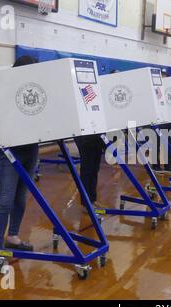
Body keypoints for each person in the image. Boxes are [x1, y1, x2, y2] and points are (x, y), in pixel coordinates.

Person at [0, 55, 40, 272]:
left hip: (31, 149)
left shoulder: (34, 88)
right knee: (5, 199)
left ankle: (13, 236)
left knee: (21, 198)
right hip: (9, 151)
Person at [73, 70, 120, 210]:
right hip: (86, 136)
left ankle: (91, 200)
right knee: (88, 169)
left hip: (97, 136)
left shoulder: (110, 93)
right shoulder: (93, 91)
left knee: (94, 169)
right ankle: (86, 202)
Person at [152, 69, 171, 175]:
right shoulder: (154, 91)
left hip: (168, 121)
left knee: (168, 144)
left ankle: (168, 165)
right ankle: (155, 166)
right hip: (157, 121)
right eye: (162, 78)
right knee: (156, 144)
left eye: (165, 78)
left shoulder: (169, 91)